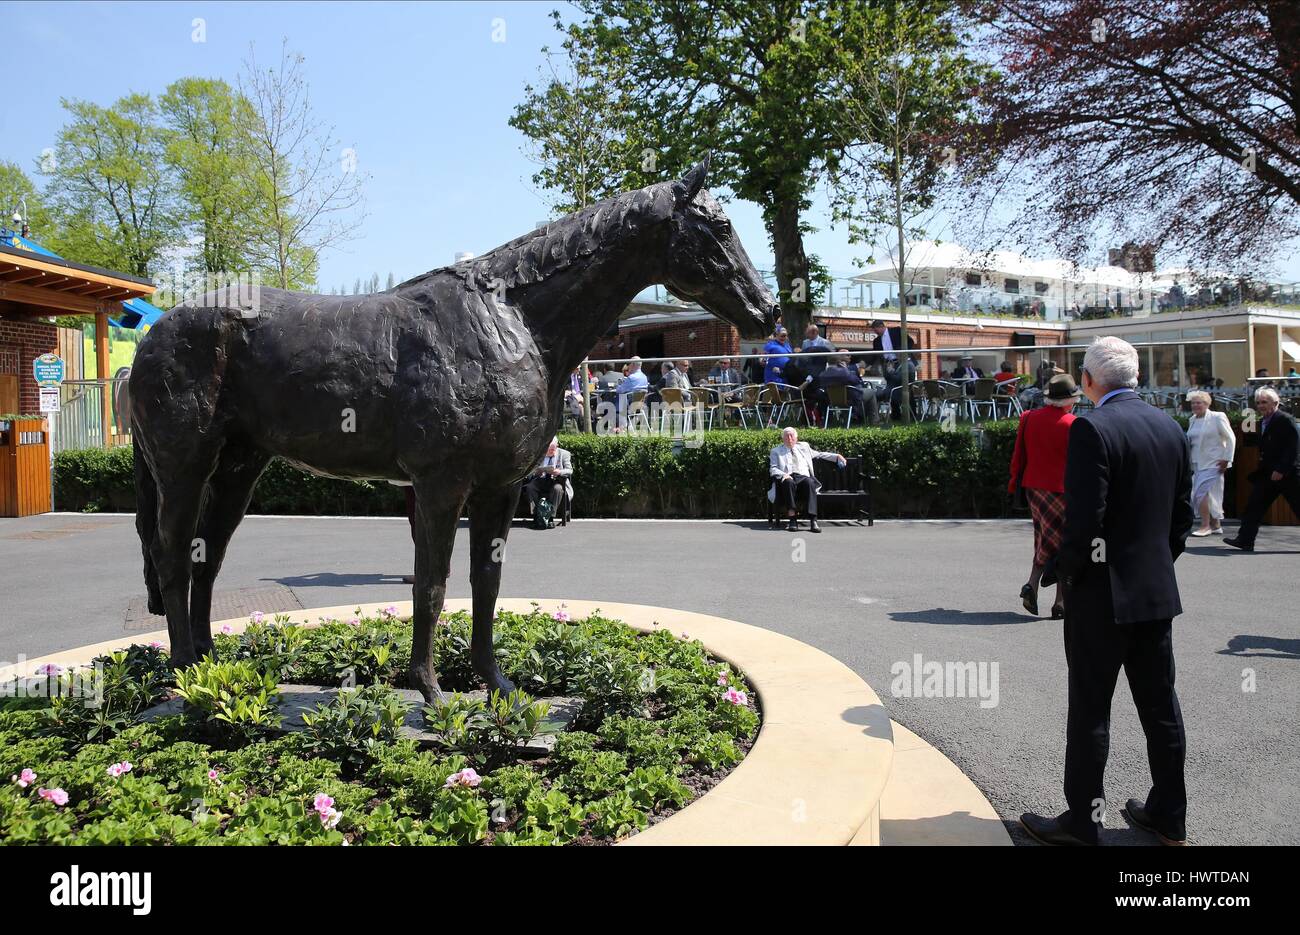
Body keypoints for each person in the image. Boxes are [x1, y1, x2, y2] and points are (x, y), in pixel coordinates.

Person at [1020, 336, 1192, 847]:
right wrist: (1153, 565)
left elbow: (1083, 526)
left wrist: (1064, 576)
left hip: (1102, 597)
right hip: (1155, 593)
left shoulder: (1092, 428)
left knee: (1092, 708)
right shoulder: (1170, 426)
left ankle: (1082, 821)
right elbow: (1180, 520)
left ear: (1090, 381)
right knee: (1161, 707)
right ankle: (1169, 814)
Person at [1007, 374, 1079, 618]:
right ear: (1070, 400)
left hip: (1033, 488)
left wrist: (1014, 483)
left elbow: (1018, 455)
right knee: (1062, 543)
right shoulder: (1074, 424)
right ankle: (1060, 602)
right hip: (1062, 489)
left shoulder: (1029, 418)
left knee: (1043, 538)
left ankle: (1033, 584)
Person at [1225, 386, 1300, 552]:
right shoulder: (1263, 421)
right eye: (1258, 402)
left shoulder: (1284, 420)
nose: (1260, 405)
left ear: (1275, 402)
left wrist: (1281, 469)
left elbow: (1293, 448)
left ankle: (1245, 539)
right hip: (1268, 474)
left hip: (1287, 474)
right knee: (1254, 506)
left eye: (1264, 402)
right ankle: (1245, 540)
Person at [767, 426, 846, 533]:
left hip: (802, 477)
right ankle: (792, 519)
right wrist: (783, 474)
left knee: (810, 482)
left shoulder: (804, 447)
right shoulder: (776, 451)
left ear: (796, 438)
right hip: (787, 478)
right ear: (783, 439)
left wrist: (837, 456)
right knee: (788, 482)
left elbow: (819, 454)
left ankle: (813, 520)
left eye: (792, 436)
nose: (789, 438)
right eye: (787, 436)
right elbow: (773, 468)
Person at [1184, 390, 1235, 537]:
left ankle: (1205, 525)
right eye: (1193, 403)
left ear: (1207, 403)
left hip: (1215, 462)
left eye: (1199, 402)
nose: (1195, 405)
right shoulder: (1192, 419)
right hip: (1197, 463)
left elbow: (1230, 438)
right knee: (1211, 494)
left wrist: (1227, 459)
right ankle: (1215, 524)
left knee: (1199, 493)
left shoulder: (1217, 417)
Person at [819, 352, 879, 424]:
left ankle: (851, 418)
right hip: (851, 398)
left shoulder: (822, 374)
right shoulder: (843, 373)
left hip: (832, 400)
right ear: (839, 362)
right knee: (871, 392)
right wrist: (846, 369)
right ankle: (874, 420)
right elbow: (856, 381)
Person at [525, 437, 574, 517]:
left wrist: (559, 472)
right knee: (530, 488)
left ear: (557, 446)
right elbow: (530, 471)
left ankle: (550, 515)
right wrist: (537, 472)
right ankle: (537, 514)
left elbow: (569, 470)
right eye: (548, 449)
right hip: (541, 480)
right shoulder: (540, 453)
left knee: (557, 489)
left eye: (552, 449)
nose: (550, 451)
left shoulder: (564, 454)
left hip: (557, 481)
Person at [615, 357, 648, 429]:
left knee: (620, 397)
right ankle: (627, 424)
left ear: (633, 364)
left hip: (631, 405)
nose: (628, 366)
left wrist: (619, 384)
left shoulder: (631, 378)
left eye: (629, 364)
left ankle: (622, 424)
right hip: (641, 404)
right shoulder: (644, 377)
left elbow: (619, 390)